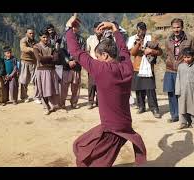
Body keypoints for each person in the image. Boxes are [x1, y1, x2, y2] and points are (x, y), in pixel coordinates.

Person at [66, 15, 146, 167]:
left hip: (111, 129)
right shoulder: (126, 67)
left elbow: (76, 52)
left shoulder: (101, 69)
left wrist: (69, 29)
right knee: (97, 155)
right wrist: (116, 30)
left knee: (82, 151)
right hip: (124, 125)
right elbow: (124, 50)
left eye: (97, 56)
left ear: (105, 55)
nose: (95, 59)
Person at [164, 18, 194, 123]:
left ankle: (186, 116)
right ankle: (174, 115)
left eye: (178, 27)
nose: (176, 29)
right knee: (171, 93)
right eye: (174, 27)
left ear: (182, 27)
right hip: (170, 69)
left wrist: (186, 65)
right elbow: (167, 53)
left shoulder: (190, 39)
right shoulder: (168, 39)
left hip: (184, 70)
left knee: (184, 93)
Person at [127, 22, 163, 118]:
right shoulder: (132, 39)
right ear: (137, 30)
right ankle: (141, 106)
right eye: (139, 29)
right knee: (138, 89)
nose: (141, 31)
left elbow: (160, 52)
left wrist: (152, 51)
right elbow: (133, 53)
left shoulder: (151, 38)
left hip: (148, 67)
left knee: (150, 89)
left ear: (146, 30)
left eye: (143, 29)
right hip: (137, 67)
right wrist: (138, 43)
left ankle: (154, 108)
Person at [33, 30, 61, 115]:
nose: (45, 39)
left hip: (51, 70)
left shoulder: (52, 46)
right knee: (43, 89)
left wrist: (47, 57)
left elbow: (56, 59)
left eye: (47, 37)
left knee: (52, 88)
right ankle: (46, 107)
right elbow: (39, 59)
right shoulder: (36, 47)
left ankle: (53, 105)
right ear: (40, 37)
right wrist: (50, 56)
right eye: (43, 37)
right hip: (42, 70)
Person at [59, 21, 85, 110]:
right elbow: (62, 51)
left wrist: (75, 61)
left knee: (76, 87)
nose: (74, 28)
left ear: (78, 28)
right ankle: (62, 103)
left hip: (76, 66)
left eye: (76, 27)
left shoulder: (81, 39)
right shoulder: (64, 38)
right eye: (72, 26)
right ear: (70, 28)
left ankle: (74, 103)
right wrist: (68, 61)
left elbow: (82, 52)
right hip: (67, 67)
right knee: (64, 87)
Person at [175, 47, 194, 132]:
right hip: (182, 91)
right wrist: (177, 90)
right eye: (185, 57)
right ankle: (182, 123)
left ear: (193, 56)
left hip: (192, 91)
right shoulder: (180, 66)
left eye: (188, 57)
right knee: (182, 107)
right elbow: (178, 78)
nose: (186, 59)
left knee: (193, 108)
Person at [86, 21, 102, 109]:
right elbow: (87, 51)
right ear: (94, 29)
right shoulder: (90, 39)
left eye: (101, 29)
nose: (100, 30)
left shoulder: (106, 39)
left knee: (101, 84)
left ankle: (99, 101)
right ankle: (90, 101)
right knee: (92, 84)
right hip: (93, 64)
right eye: (98, 29)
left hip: (103, 65)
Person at [19, 27, 37, 103]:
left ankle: (37, 96)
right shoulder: (23, 40)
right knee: (24, 80)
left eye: (33, 33)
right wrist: (32, 49)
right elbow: (23, 49)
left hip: (34, 62)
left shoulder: (35, 41)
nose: (32, 34)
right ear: (26, 33)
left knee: (36, 80)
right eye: (30, 33)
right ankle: (24, 96)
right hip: (25, 62)